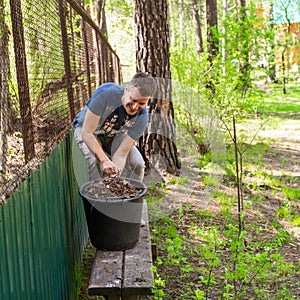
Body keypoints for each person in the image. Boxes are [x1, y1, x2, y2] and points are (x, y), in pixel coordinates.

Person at [73, 72, 157, 182]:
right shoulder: (106, 94)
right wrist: (105, 160)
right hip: (86, 129)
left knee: (138, 164)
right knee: (95, 161)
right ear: (126, 90)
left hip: (113, 135)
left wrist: (114, 180)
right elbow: (87, 133)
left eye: (141, 104)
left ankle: (130, 197)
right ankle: (95, 197)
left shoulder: (142, 117)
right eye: (133, 100)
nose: (135, 107)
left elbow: (121, 154)